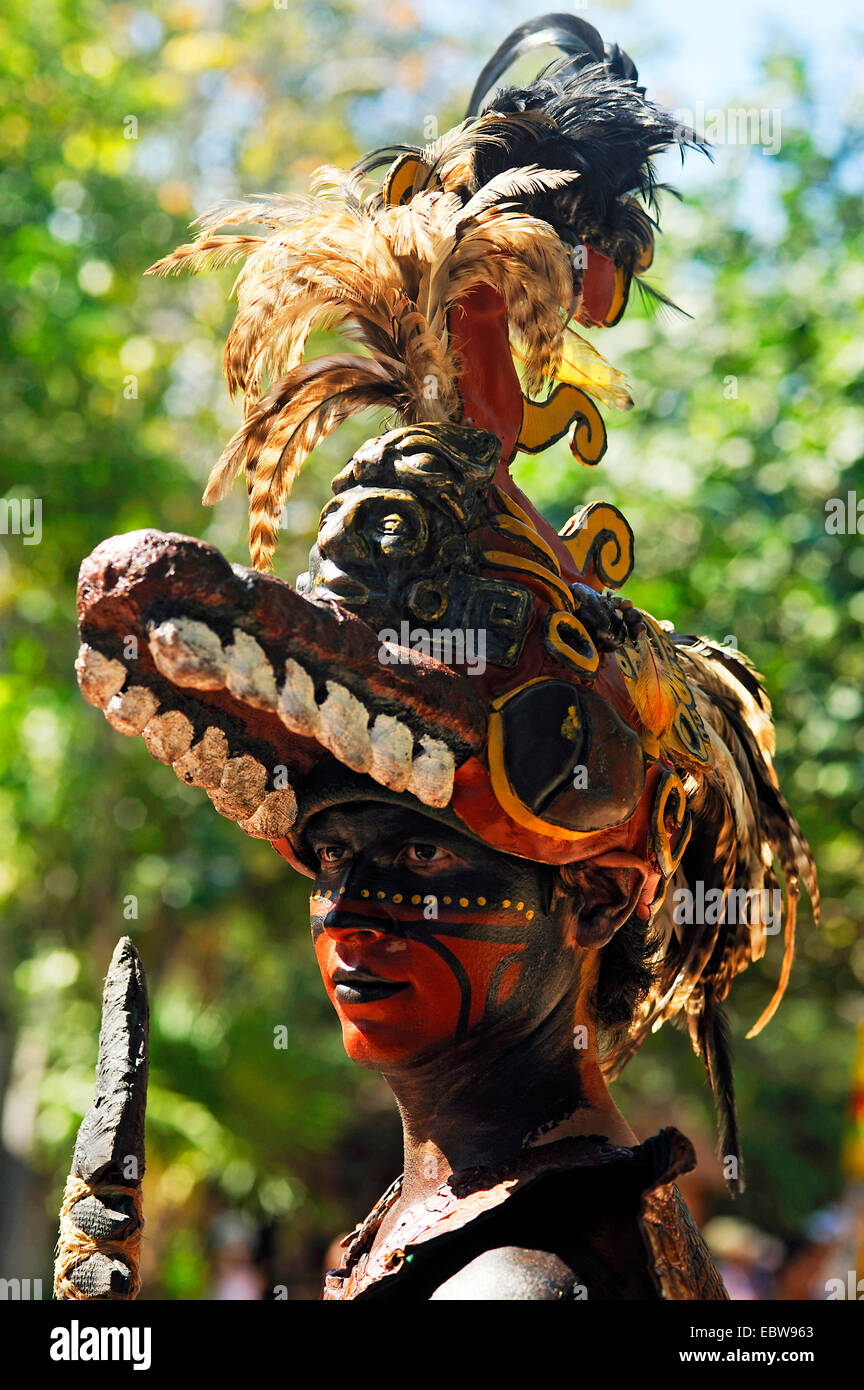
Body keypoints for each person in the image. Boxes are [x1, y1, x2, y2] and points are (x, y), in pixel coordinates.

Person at [72, 15, 817, 1299]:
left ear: (592, 899)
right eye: (342, 853)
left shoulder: (516, 1274)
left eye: (422, 853)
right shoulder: (478, 1212)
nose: (354, 907)